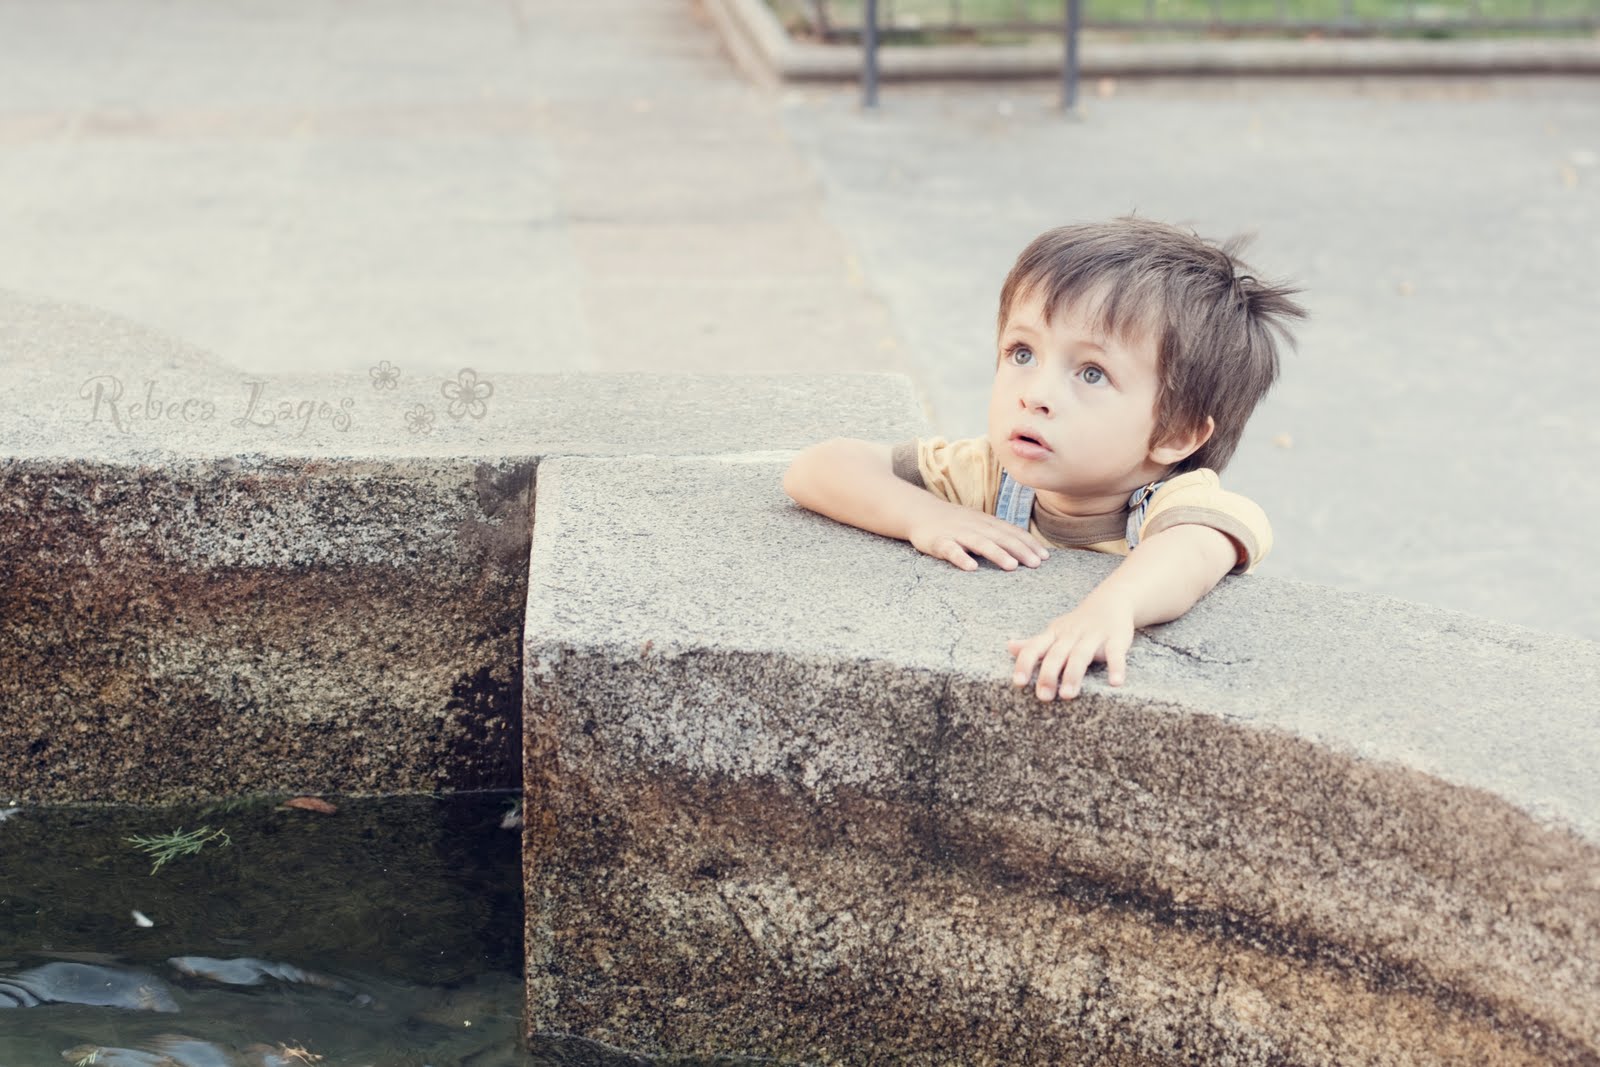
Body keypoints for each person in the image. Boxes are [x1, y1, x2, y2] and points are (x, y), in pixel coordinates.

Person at [784, 217, 1305, 702]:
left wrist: (1113, 607)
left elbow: (1196, 548)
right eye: (1022, 353)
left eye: (1091, 373)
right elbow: (820, 467)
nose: (1035, 394)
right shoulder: (991, 474)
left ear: (1174, 433)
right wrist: (929, 517)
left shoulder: (1179, 504)